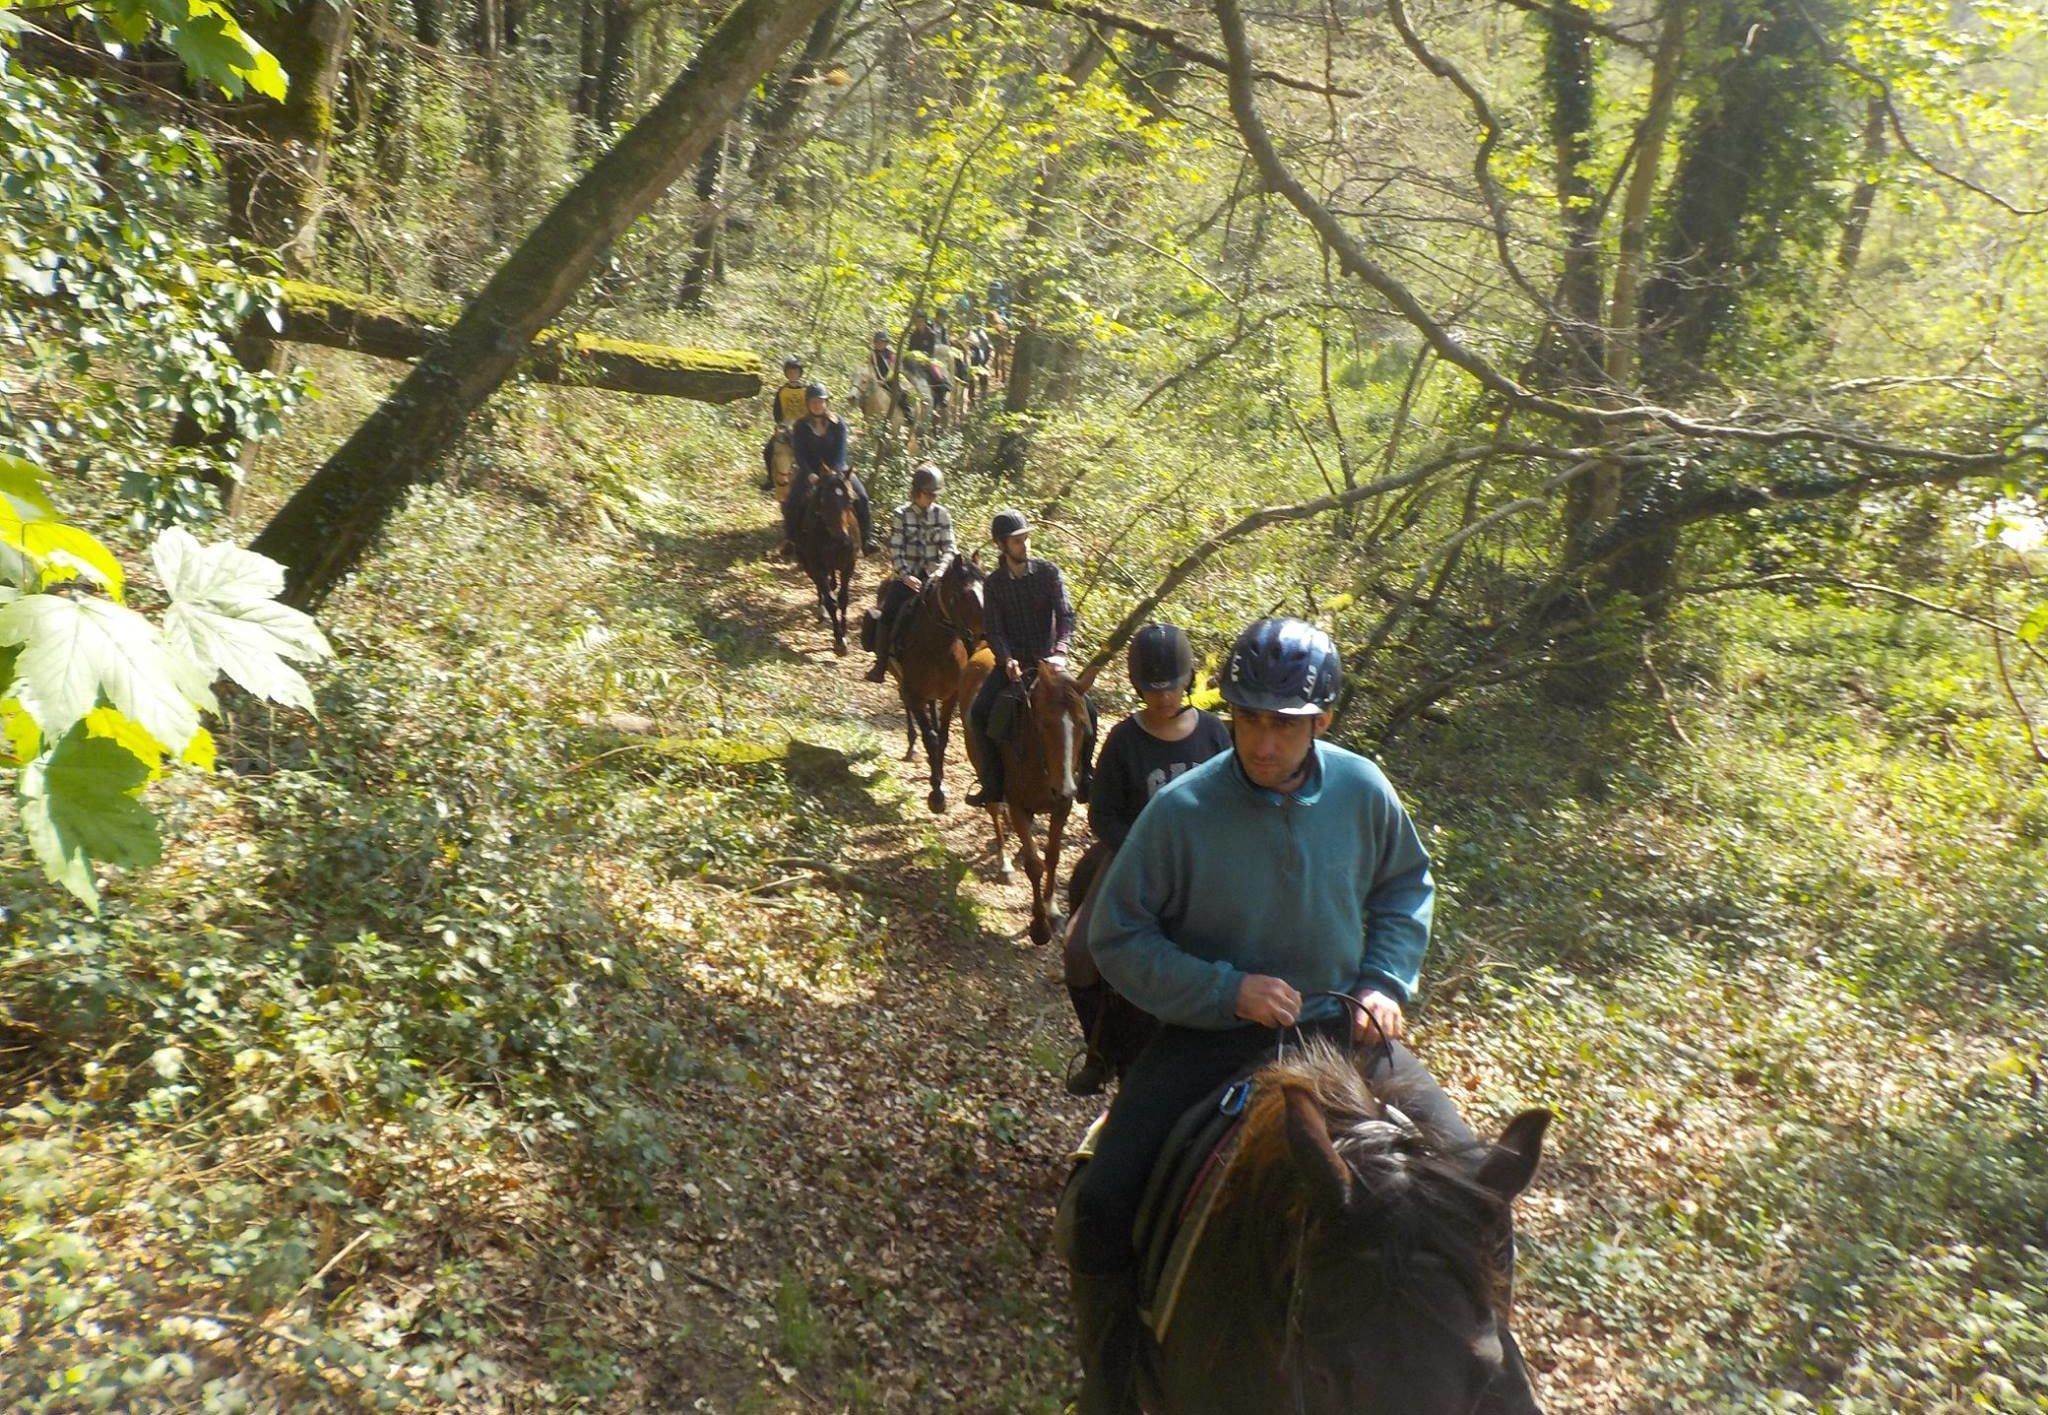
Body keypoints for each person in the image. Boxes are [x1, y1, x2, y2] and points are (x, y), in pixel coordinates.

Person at [1066, 617, 1500, 1415]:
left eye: (1285, 723)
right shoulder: (1183, 811)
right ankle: (1112, 1384)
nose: (1263, 741)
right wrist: (1225, 989)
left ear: (1322, 720)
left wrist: (1385, 983)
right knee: (1101, 1199)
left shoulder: (1364, 790)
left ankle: (1496, 1380)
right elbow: (1117, 936)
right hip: (1214, 1040)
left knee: (1474, 1188)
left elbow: (1407, 886)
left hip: (1342, 1031)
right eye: (1249, 717)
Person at [1060, 624, 1230, 1095]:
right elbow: (1103, 815)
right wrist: (1143, 847)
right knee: (1077, 949)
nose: (1163, 699)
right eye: (1153, 692)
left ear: (1187, 681)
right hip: (1132, 853)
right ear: (1138, 687)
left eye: (1172, 689)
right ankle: (1100, 1053)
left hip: (1207, 858)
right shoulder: (1124, 740)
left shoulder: (1216, 735)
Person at [965, 509, 1077, 808]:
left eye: (1026, 538)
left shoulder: (1049, 572)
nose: (1024, 545)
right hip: (1012, 665)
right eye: (1017, 541)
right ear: (1002, 545)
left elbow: (1065, 614)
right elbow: (994, 628)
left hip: (1050, 663)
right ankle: (993, 784)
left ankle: (1086, 775)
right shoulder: (994, 584)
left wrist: (1061, 650)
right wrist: (1006, 659)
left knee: (1086, 711)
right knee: (978, 715)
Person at [865, 463, 956, 683]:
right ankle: (881, 664)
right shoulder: (901, 514)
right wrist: (906, 576)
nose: (932, 498)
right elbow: (896, 550)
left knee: (961, 612)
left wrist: (941, 570)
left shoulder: (942, 515)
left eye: (935, 494)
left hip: (935, 578)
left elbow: (950, 548)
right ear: (916, 492)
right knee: (888, 615)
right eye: (928, 494)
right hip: (908, 578)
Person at [784, 384, 877, 557]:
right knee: (792, 502)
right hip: (810, 472)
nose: (817, 405)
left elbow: (841, 451)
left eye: (820, 401)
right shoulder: (800, 426)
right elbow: (799, 453)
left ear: (827, 402)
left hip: (838, 470)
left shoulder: (838, 423)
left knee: (862, 497)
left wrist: (834, 473)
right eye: (813, 402)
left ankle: (867, 539)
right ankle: (791, 540)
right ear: (808, 403)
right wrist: (809, 473)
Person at [762, 355, 808, 491]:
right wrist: (780, 425)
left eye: (795, 372)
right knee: (768, 450)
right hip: (785, 425)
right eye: (790, 372)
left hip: (803, 426)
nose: (793, 374)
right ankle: (771, 479)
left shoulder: (807, 390)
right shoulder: (781, 391)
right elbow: (777, 411)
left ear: (800, 373)